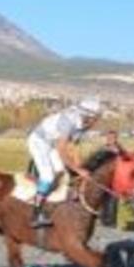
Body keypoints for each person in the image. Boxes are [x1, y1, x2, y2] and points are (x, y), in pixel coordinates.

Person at [26, 97, 102, 228]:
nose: (97, 120)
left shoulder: (84, 125)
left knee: (61, 171)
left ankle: (49, 200)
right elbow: (62, 151)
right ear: (89, 116)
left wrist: (80, 168)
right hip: (38, 141)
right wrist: (78, 170)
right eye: (96, 117)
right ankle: (35, 215)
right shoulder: (68, 122)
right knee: (48, 176)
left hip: (51, 143)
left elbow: (73, 148)